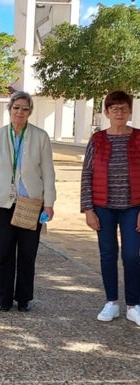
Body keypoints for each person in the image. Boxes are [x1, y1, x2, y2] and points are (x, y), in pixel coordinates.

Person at [0, 91, 56, 312]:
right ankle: (4, 298)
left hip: (31, 202)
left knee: (27, 253)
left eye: (25, 108)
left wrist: (49, 203)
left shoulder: (40, 137)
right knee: (4, 252)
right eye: (16, 108)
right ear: (10, 110)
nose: (20, 112)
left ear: (30, 111)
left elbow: (48, 172)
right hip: (3, 203)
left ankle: (23, 298)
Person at [80, 90, 140, 326]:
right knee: (107, 254)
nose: (119, 113)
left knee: (132, 255)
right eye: (114, 109)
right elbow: (87, 174)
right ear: (106, 112)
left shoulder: (138, 138)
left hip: (133, 208)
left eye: (123, 108)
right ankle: (111, 302)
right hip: (102, 206)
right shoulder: (97, 140)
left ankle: (134, 305)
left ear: (129, 111)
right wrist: (87, 209)